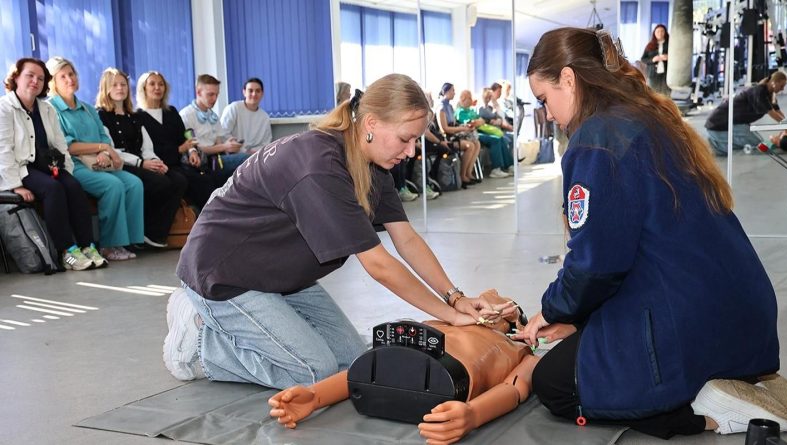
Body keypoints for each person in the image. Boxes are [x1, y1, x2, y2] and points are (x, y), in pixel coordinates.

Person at [517, 27, 787, 439]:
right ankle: (737, 382)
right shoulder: (651, 118)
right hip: (738, 312)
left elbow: (597, 264)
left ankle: (712, 414)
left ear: (568, 79)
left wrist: (554, 310)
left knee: (555, 385)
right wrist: (576, 319)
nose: (548, 114)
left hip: (686, 316)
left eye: (544, 99)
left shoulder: (596, 141)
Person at [163, 74, 511, 389]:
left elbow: (406, 239)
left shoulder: (374, 166)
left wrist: (455, 297)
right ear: (372, 123)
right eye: (406, 139)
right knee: (313, 372)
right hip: (224, 275)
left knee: (350, 363)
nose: (409, 152)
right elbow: (379, 266)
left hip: (280, 277)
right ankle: (198, 341)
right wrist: (450, 316)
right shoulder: (320, 166)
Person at [268, 289, 533, 444]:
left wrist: (475, 414)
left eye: (508, 309)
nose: (493, 309)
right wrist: (315, 396)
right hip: (414, 369)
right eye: (487, 301)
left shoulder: (521, 350)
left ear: (518, 323)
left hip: (452, 380)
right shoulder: (442, 322)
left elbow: (515, 388)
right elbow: (368, 371)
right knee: (388, 362)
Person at [0, 57, 101, 271]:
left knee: (73, 186)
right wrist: (15, 185)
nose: (35, 81)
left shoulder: (46, 109)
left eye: (40, 78)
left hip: (48, 165)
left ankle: (87, 246)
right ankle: (67, 251)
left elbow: (60, 144)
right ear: (16, 77)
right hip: (21, 169)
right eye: (30, 76)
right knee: (53, 189)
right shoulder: (4, 108)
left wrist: (68, 172)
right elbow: (3, 151)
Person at [46, 56, 144, 262]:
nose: (69, 79)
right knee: (113, 185)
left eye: (71, 74)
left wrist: (104, 152)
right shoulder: (51, 109)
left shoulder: (88, 109)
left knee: (134, 183)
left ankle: (129, 241)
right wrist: (102, 148)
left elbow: (102, 136)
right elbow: (68, 146)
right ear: (53, 82)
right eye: (62, 76)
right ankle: (109, 245)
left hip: (99, 162)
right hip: (76, 165)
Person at [96, 68, 186, 248]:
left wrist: (156, 162)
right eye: (115, 85)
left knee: (179, 180)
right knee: (160, 183)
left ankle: (155, 233)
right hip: (122, 163)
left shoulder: (134, 116)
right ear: (106, 88)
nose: (120, 88)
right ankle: (144, 230)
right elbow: (112, 149)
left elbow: (146, 146)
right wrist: (142, 163)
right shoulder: (102, 115)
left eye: (123, 84)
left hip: (142, 161)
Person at [135, 71, 224, 209]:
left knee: (211, 177)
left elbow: (185, 134)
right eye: (152, 84)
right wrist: (179, 149)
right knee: (195, 182)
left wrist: (192, 151)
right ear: (143, 88)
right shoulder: (138, 116)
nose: (157, 88)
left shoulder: (171, 111)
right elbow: (147, 149)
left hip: (179, 162)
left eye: (161, 84)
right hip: (160, 164)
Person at [179, 74, 248, 178]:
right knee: (247, 159)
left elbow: (218, 142)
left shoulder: (213, 116)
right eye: (210, 94)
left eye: (217, 94)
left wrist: (228, 145)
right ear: (198, 92)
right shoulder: (186, 115)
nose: (215, 98)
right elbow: (195, 148)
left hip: (217, 158)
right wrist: (224, 146)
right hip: (203, 161)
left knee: (243, 169)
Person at [705, 71, 787, 155]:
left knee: (758, 144)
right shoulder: (760, 92)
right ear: (774, 83)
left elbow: (778, 111)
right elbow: (773, 113)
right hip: (717, 123)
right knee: (759, 146)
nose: (782, 89)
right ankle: (713, 146)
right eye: (781, 86)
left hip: (736, 123)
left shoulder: (770, 94)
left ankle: (716, 144)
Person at [455, 89, 514, 179]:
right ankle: (495, 169)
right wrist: (477, 122)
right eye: (469, 98)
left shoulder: (470, 110)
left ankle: (509, 165)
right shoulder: (460, 111)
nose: (471, 100)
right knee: (495, 140)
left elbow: (481, 120)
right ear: (463, 99)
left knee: (500, 138)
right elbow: (470, 125)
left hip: (478, 131)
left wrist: (478, 122)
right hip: (471, 134)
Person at [436, 83, 480, 185]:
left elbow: (454, 124)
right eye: (453, 91)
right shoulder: (441, 108)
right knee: (470, 146)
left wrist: (464, 127)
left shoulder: (450, 107)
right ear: (446, 92)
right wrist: (460, 129)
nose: (454, 93)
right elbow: (444, 129)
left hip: (454, 135)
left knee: (476, 143)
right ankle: (462, 175)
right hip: (447, 139)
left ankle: (468, 173)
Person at [220, 77, 273, 154]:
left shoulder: (264, 117)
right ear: (244, 92)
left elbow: (266, 143)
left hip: (255, 155)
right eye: (250, 91)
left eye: (257, 91)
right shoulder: (234, 108)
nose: (254, 94)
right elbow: (223, 133)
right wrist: (243, 151)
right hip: (233, 154)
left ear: (262, 94)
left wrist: (253, 152)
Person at [641, 24, 671, 96]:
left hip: (667, 74)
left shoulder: (670, 44)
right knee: (653, 95)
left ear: (665, 33)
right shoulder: (650, 45)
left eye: (662, 31)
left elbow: (677, 57)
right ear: (654, 33)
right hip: (652, 75)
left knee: (666, 95)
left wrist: (669, 57)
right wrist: (653, 59)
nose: (660, 33)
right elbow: (643, 59)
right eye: (658, 32)